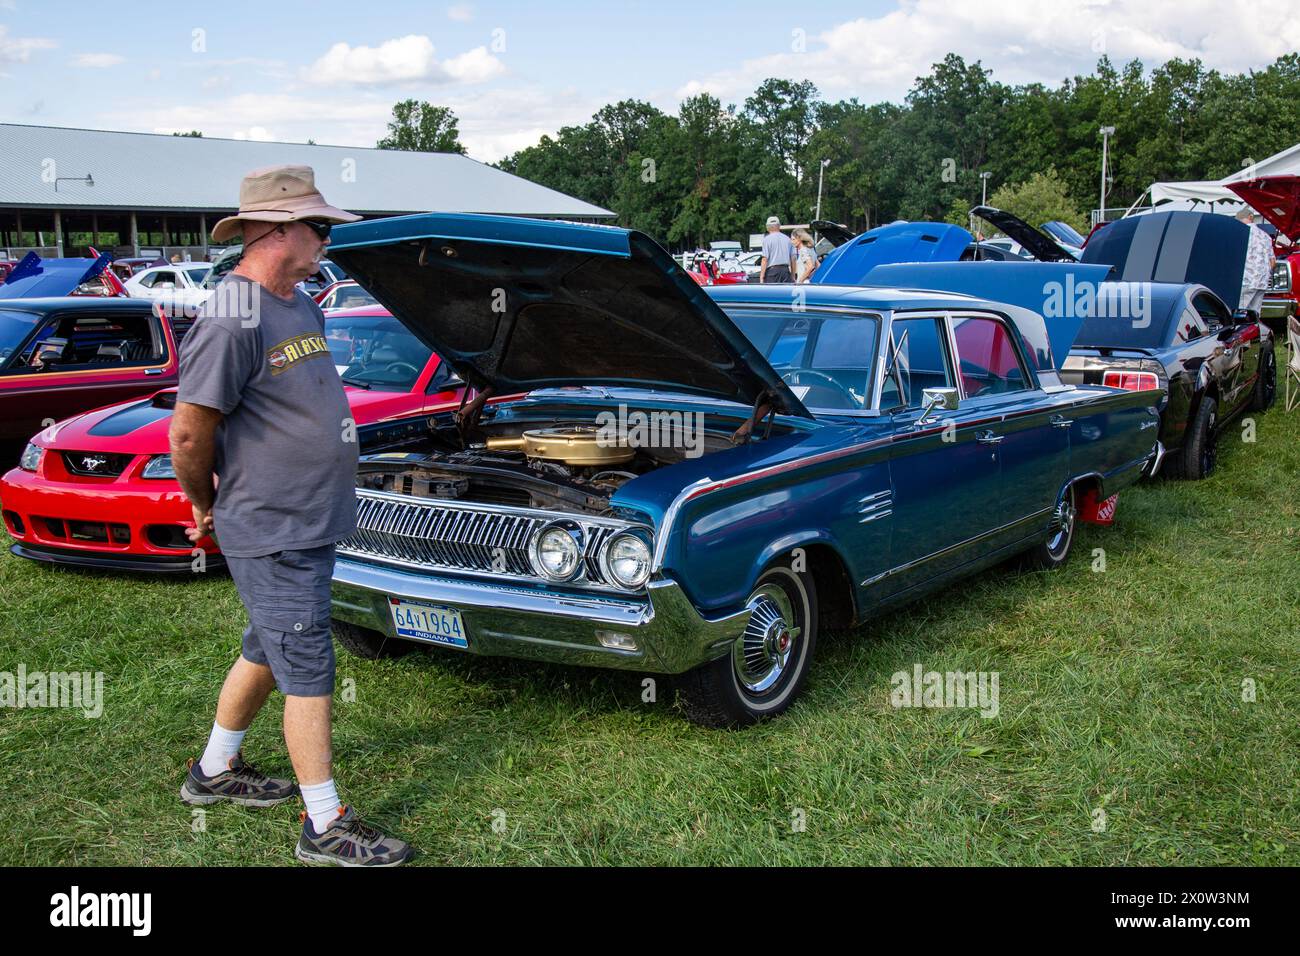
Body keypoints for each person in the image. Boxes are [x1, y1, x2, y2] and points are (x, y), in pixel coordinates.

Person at [171, 164, 414, 866]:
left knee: (267, 648)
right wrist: (202, 503)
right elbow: (189, 433)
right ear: (280, 230)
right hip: (272, 525)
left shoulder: (299, 302)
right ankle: (325, 824)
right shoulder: (231, 316)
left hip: (307, 520)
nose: (327, 238)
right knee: (308, 664)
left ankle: (214, 771)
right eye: (321, 226)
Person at [1237, 208, 1275, 316]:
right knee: (1255, 314)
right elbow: (1272, 261)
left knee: (1241, 313)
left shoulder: (1241, 233)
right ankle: (1255, 331)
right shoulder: (1266, 236)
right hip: (1262, 281)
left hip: (1246, 280)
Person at [759, 216, 796, 283]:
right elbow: (793, 258)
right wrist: (793, 275)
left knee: (772, 293)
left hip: (772, 272)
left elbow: (765, 259)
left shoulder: (766, 240)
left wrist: (762, 277)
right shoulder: (787, 239)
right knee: (785, 293)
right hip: (785, 271)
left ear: (767, 227)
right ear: (779, 226)